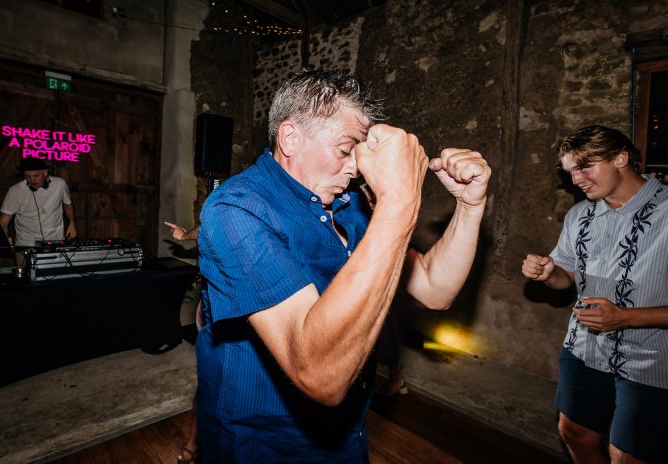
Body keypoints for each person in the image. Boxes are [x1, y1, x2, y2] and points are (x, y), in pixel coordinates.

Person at [196, 68, 491, 462]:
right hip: (260, 445)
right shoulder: (236, 209)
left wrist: (470, 207)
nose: (355, 169)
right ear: (290, 137)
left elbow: (435, 289)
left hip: (345, 437)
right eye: (344, 149)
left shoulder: (350, 205)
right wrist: (400, 200)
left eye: (360, 153)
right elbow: (319, 373)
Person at [522, 125, 668, 464]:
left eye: (584, 167)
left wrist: (625, 317)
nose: (576, 179)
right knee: (574, 432)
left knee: (627, 455)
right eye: (570, 171)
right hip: (585, 347)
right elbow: (566, 277)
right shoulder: (579, 216)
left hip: (652, 358)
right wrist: (549, 273)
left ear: (621, 158)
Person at [164, 220, 201, 463]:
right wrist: (185, 235)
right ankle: (193, 444)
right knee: (208, 385)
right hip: (215, 314)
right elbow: (210, 221)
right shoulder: (230, 202)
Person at [0, 158, 76, 248]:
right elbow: (3, 222)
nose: (32, 180)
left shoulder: (60, 185)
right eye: (28, 177)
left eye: (36, 176)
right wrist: (3, 238)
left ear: (45, 172)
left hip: (55, 241)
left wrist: (72, 222)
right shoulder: (15, 191)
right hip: (25, 244)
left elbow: (67, 204)